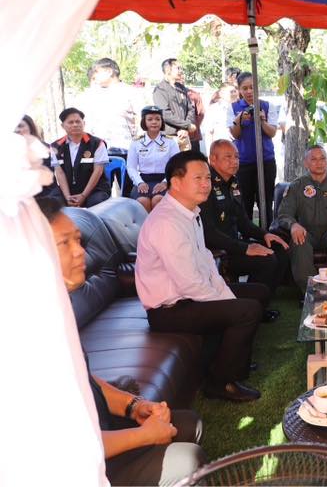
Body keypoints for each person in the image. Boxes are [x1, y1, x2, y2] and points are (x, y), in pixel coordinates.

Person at [38, 196, 206, 485]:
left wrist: (135, 405)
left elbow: (84, 379)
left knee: (190, 424)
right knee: (187, 459)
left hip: (95, 427)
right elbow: (59, 448)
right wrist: (144, 435)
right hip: (72, 466)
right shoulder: (20, 337)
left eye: (78, 240)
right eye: (64, 243)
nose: (80, 252)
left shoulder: (53, 309)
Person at [135, 150, 269, 402]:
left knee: (257, 293)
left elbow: (206, 261)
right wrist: (226, 301)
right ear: (176, 183)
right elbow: (190, 284)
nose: (206, 184)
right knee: (246, 310)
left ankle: (230, 360)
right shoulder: (167, 222)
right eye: (198, 178)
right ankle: (220, 383)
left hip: (189, 296)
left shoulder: (189, 213)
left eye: (207, 178)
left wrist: (224, 292)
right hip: (169, 310)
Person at [201, 139, 288, 320]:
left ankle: (259, 304)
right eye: (228, 157)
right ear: (213, 159)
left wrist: (265, 235)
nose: (234, 161)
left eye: (236, 157)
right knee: (267, 260)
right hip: (217, 252)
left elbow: (243, 223)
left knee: (279, 248)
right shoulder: (205, 186)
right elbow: (209, 234)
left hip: (234, 245)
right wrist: (246, 248)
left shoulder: (233, 182)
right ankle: (248, 308)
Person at [277, 146, 327, 294]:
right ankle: (311, 292)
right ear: (305, 163)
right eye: (313, 159)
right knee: (299, 242)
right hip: (306, 233)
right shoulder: (297, 186)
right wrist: (293, 225)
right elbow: (284, 214)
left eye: (322, 159)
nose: (319, 163)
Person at [229, 71, 279, 227]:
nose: (249, 91)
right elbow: (235, 134)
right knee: (245, 203)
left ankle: (267, 233)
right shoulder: (233, 107)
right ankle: (247, 235)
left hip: (266, 161)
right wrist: (239, 120)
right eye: (245, 88)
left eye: (252, 87)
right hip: (244, 163)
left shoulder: (267, 106)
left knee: (266, 202)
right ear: (239, 90)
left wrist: (262, 120)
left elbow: (272, 132)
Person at [75, 57, 141, 154]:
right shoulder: (90, 95)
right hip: (95, 152)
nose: (94, 76)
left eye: (96, 72)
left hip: (124, 150)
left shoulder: (130, 92)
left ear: (109, 71)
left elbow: (144, 119)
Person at [50, 107, 111, 208]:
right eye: (70, 122)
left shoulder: (97, 143)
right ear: (62, 126)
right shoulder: (56, 146)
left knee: (96, 203)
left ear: (84, 123)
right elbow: (59, 173)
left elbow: (98, 171)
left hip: (95, 190)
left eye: (78, 121)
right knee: (52, 202)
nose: (75, 124)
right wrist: (67, 197)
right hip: (68, 191)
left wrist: (83, 196)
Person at [126, 105, 179, 212]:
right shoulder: (136, 143)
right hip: (143, 180)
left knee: (158, 200)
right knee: (142, 201)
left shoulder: (170, 142)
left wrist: (165, 182)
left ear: (162, 121)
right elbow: (131, 167)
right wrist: (139, 182)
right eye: (150, 119)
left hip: (165, 179)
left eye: (157, 119)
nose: (154, 122)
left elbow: (177, 166)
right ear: (144, 122)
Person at [153, 58, 197, 151]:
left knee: (187, 160)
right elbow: (165, 114)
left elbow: (191, 109)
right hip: (168, 138)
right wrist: (186, 125)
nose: (180, 71)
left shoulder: (181, 88)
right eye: (177, 68)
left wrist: (185, 129)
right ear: (168, 70)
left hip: (184, 137)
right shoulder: (160, 89)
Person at [17, 114, 62, 200]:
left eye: (20, 126)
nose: (17, 130)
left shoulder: (46, 148)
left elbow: (56, 173)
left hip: (47, 197)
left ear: (30, 127)